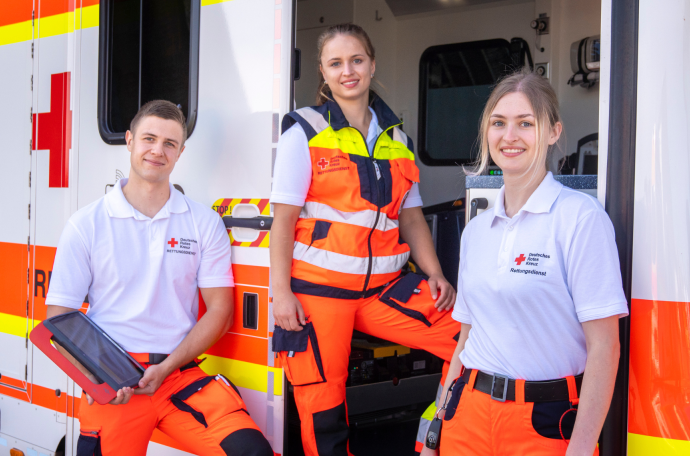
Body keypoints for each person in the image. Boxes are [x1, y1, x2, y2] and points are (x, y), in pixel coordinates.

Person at [270, 23, 461, 456]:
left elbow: (411, 219)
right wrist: (280, 293)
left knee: (472, 333)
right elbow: (283, 221)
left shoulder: (398, 139)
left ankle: (434, 435)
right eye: (336, 63)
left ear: (372, 64)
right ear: (323, 71)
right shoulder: (304, 131)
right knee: (323, 410)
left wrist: (436, 274)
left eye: (356, 60)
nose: (347, 71)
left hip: (384, 289)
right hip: (319, 293)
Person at [44, 100, 274, 456]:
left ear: (181, 152)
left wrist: (167, 367)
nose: (157, 150)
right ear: (130, 140)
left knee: (253, 452)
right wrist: (92, 377)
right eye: (149, 138)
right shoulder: (87, 223)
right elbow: (59, 318)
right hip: (115, 380)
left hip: (179, 374)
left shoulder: (203, 222)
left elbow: (219, 311)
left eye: (169, 143)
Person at [425, 71, 627, 456]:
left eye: (526, 123)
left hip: (542, 423)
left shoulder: (580, 219)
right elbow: (465, 340)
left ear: (553, 132)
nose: (509, 136)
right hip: (465, 416)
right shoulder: (477, 231)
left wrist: (582, 447)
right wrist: (434, 432)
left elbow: (605, 347)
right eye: (498, 123)